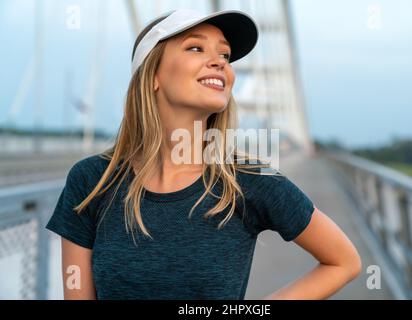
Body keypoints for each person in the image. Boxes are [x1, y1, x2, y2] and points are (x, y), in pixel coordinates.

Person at [46, 8, 361, 300]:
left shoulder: (251, 180)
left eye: (224, 54)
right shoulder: (91, 180)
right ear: (152, 75)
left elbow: (343, 262)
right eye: (196, 48)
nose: (221, 61)